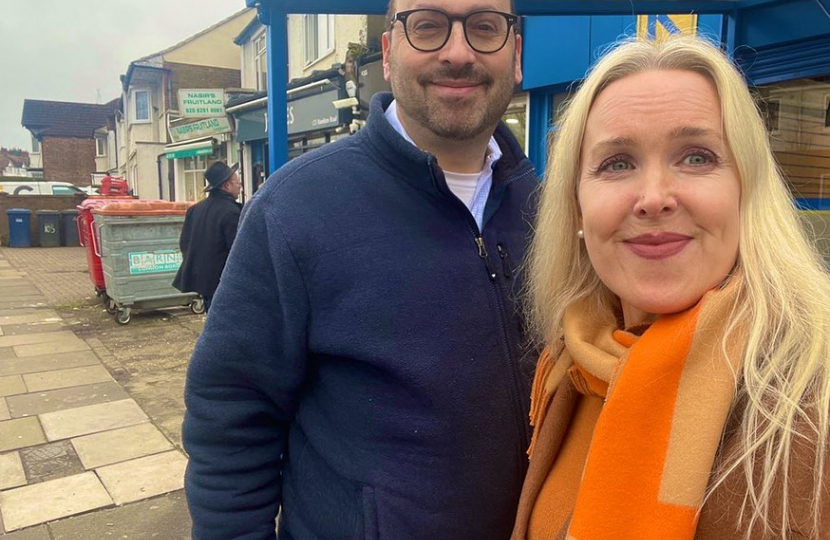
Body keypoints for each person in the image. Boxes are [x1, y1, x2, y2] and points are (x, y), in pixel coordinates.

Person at [183, 1, 539, 539]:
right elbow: (231, 417)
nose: (459, 52)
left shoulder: (550, 207)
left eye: (485, 27)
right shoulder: (295, 208)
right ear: (390, 52)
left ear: (515, 55)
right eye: (428, 26)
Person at [512, 35, 830, 540]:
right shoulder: (569, 371)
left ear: (747, 190)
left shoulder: (814, 392)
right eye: (617, 163)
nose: (654, 198)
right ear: (576, 207)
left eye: (697, 157)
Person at [173, 161, 242, 312]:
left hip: (203, 283)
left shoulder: (195, 210)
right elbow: (238, 252)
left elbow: (184, 244)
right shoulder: (231, 212)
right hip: (224, 284)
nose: (240, 186)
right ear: (226, 186)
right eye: (237, 182)